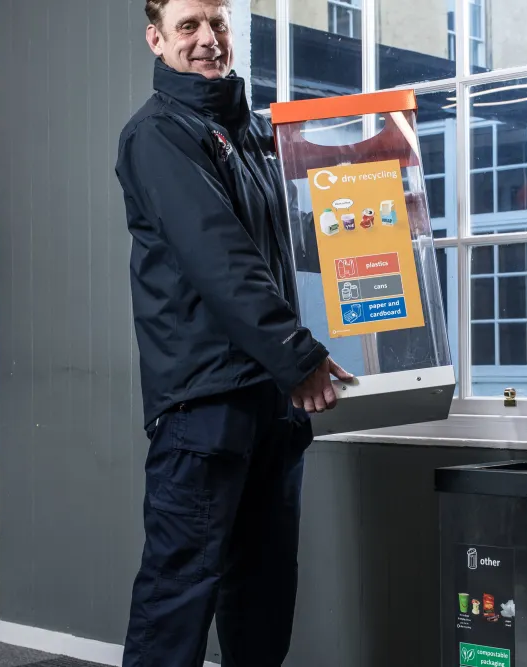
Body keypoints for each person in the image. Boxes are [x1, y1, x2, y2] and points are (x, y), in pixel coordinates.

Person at [113, 1, 353, 664]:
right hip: (204, 407)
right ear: (156, 39)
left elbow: (288, 256)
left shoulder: (249, 134)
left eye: (218, 23)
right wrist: (298, 354)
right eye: (189, 26)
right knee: (178, 596)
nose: (208, 40)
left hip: (268, 402)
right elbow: (221, 258)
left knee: (264, 593)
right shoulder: (158, 134)